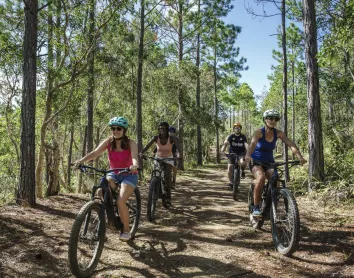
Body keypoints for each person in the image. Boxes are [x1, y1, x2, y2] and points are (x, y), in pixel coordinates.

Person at [74, 116, 139, 241]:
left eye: (118, 128)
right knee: (100, 191)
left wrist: (134, 165)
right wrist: (81, 161)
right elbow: (95, 153)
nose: (115, 131)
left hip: (129, 174)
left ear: (124, 130)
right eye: (113, 128)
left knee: (120, 201)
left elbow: (135, 156)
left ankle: (126, 230)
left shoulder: (131, 143)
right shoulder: (108, 142)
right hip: (113, 173)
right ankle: (110, 216)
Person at [244, 109, 307, 217]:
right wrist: (248, 155)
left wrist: (299, 156)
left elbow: (290, 143)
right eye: (270, 118)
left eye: (275, 119)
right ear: (265, 119)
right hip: (256, 161)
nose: (273, 121)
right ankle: (256, 207)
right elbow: (253, 144)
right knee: (260, 178)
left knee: (275, 181)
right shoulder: (259, 132)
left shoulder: (278, 133)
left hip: (269, 162)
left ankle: (270, 208)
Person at [139, 121, 180, 207]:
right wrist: (141, 153)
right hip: (158, 158)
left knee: (167, 176)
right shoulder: (156, 138)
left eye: (164, 128)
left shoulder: (172, 138)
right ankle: (154, 188)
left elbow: (178, 147)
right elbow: (147, 146)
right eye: (160, 128)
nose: (162, 130)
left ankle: (168, 196)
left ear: (167, 130)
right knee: (155, 173)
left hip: (168, 158)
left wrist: (179, 155)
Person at [221, 122, 249, 187]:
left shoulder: (243, 136)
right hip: (232, 153)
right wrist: (222, 151)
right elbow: (225, 144)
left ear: (240, 129)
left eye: (239, 128)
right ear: (234, 129)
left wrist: (248, 152)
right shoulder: (231, 136)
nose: (237, 129)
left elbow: (246, 144)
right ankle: (231, 182)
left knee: (243, 163)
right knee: (230, 167)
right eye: (236, 128)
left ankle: (242, 171)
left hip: (241, 153)